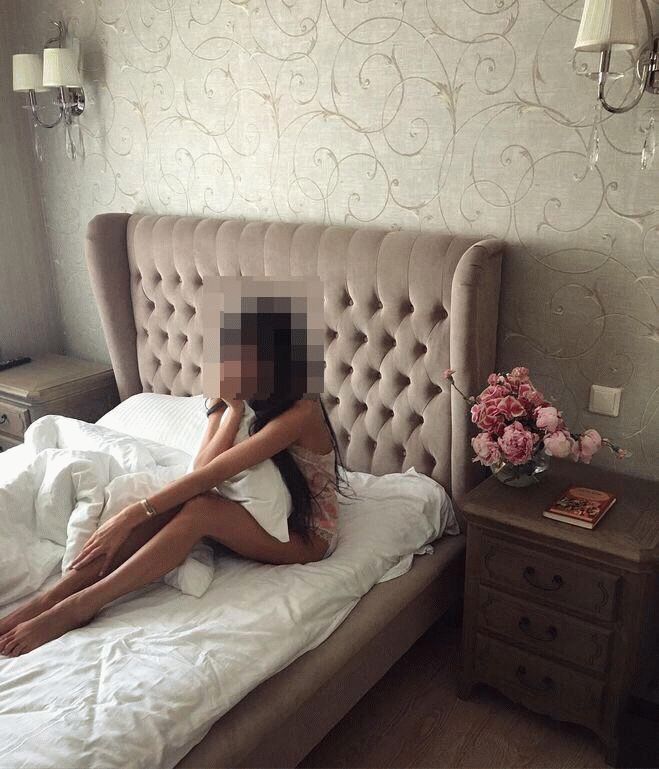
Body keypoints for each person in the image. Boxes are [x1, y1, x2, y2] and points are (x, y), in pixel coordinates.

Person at [0, 291, 347, 657]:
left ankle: (81, 606)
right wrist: (231, 412)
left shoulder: (301, 412)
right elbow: (201, 468)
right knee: (177, 505)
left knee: (198, 509)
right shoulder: (233, 396)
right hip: (253, 512)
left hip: (306, 535)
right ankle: (51, 598)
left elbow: (212, 474)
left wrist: (132, 515)